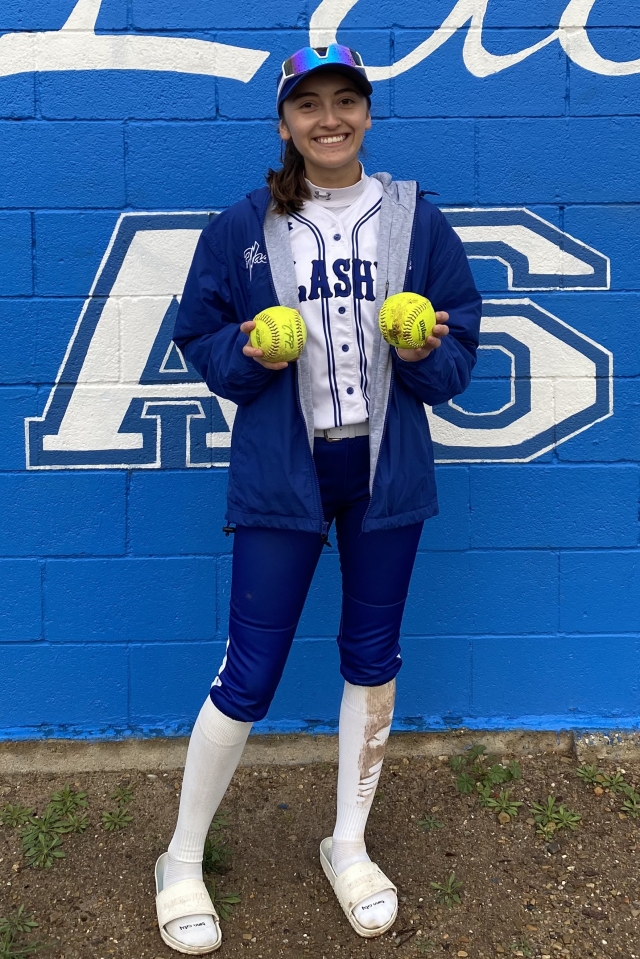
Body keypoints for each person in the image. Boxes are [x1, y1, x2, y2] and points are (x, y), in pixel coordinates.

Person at [154, 43, 482, 955]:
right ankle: (181, 858)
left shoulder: (416, 219)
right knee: (249, 672)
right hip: (282, 474)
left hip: (386, 475)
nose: (329, 118)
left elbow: (461, 355)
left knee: (372, 658)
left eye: (346, 100)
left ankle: (348, 843)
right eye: (310, 104)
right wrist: (248, 355)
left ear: (367, 113)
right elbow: (199, 341)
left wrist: (424, 356)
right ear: (285, 120)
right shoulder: (242, 226)